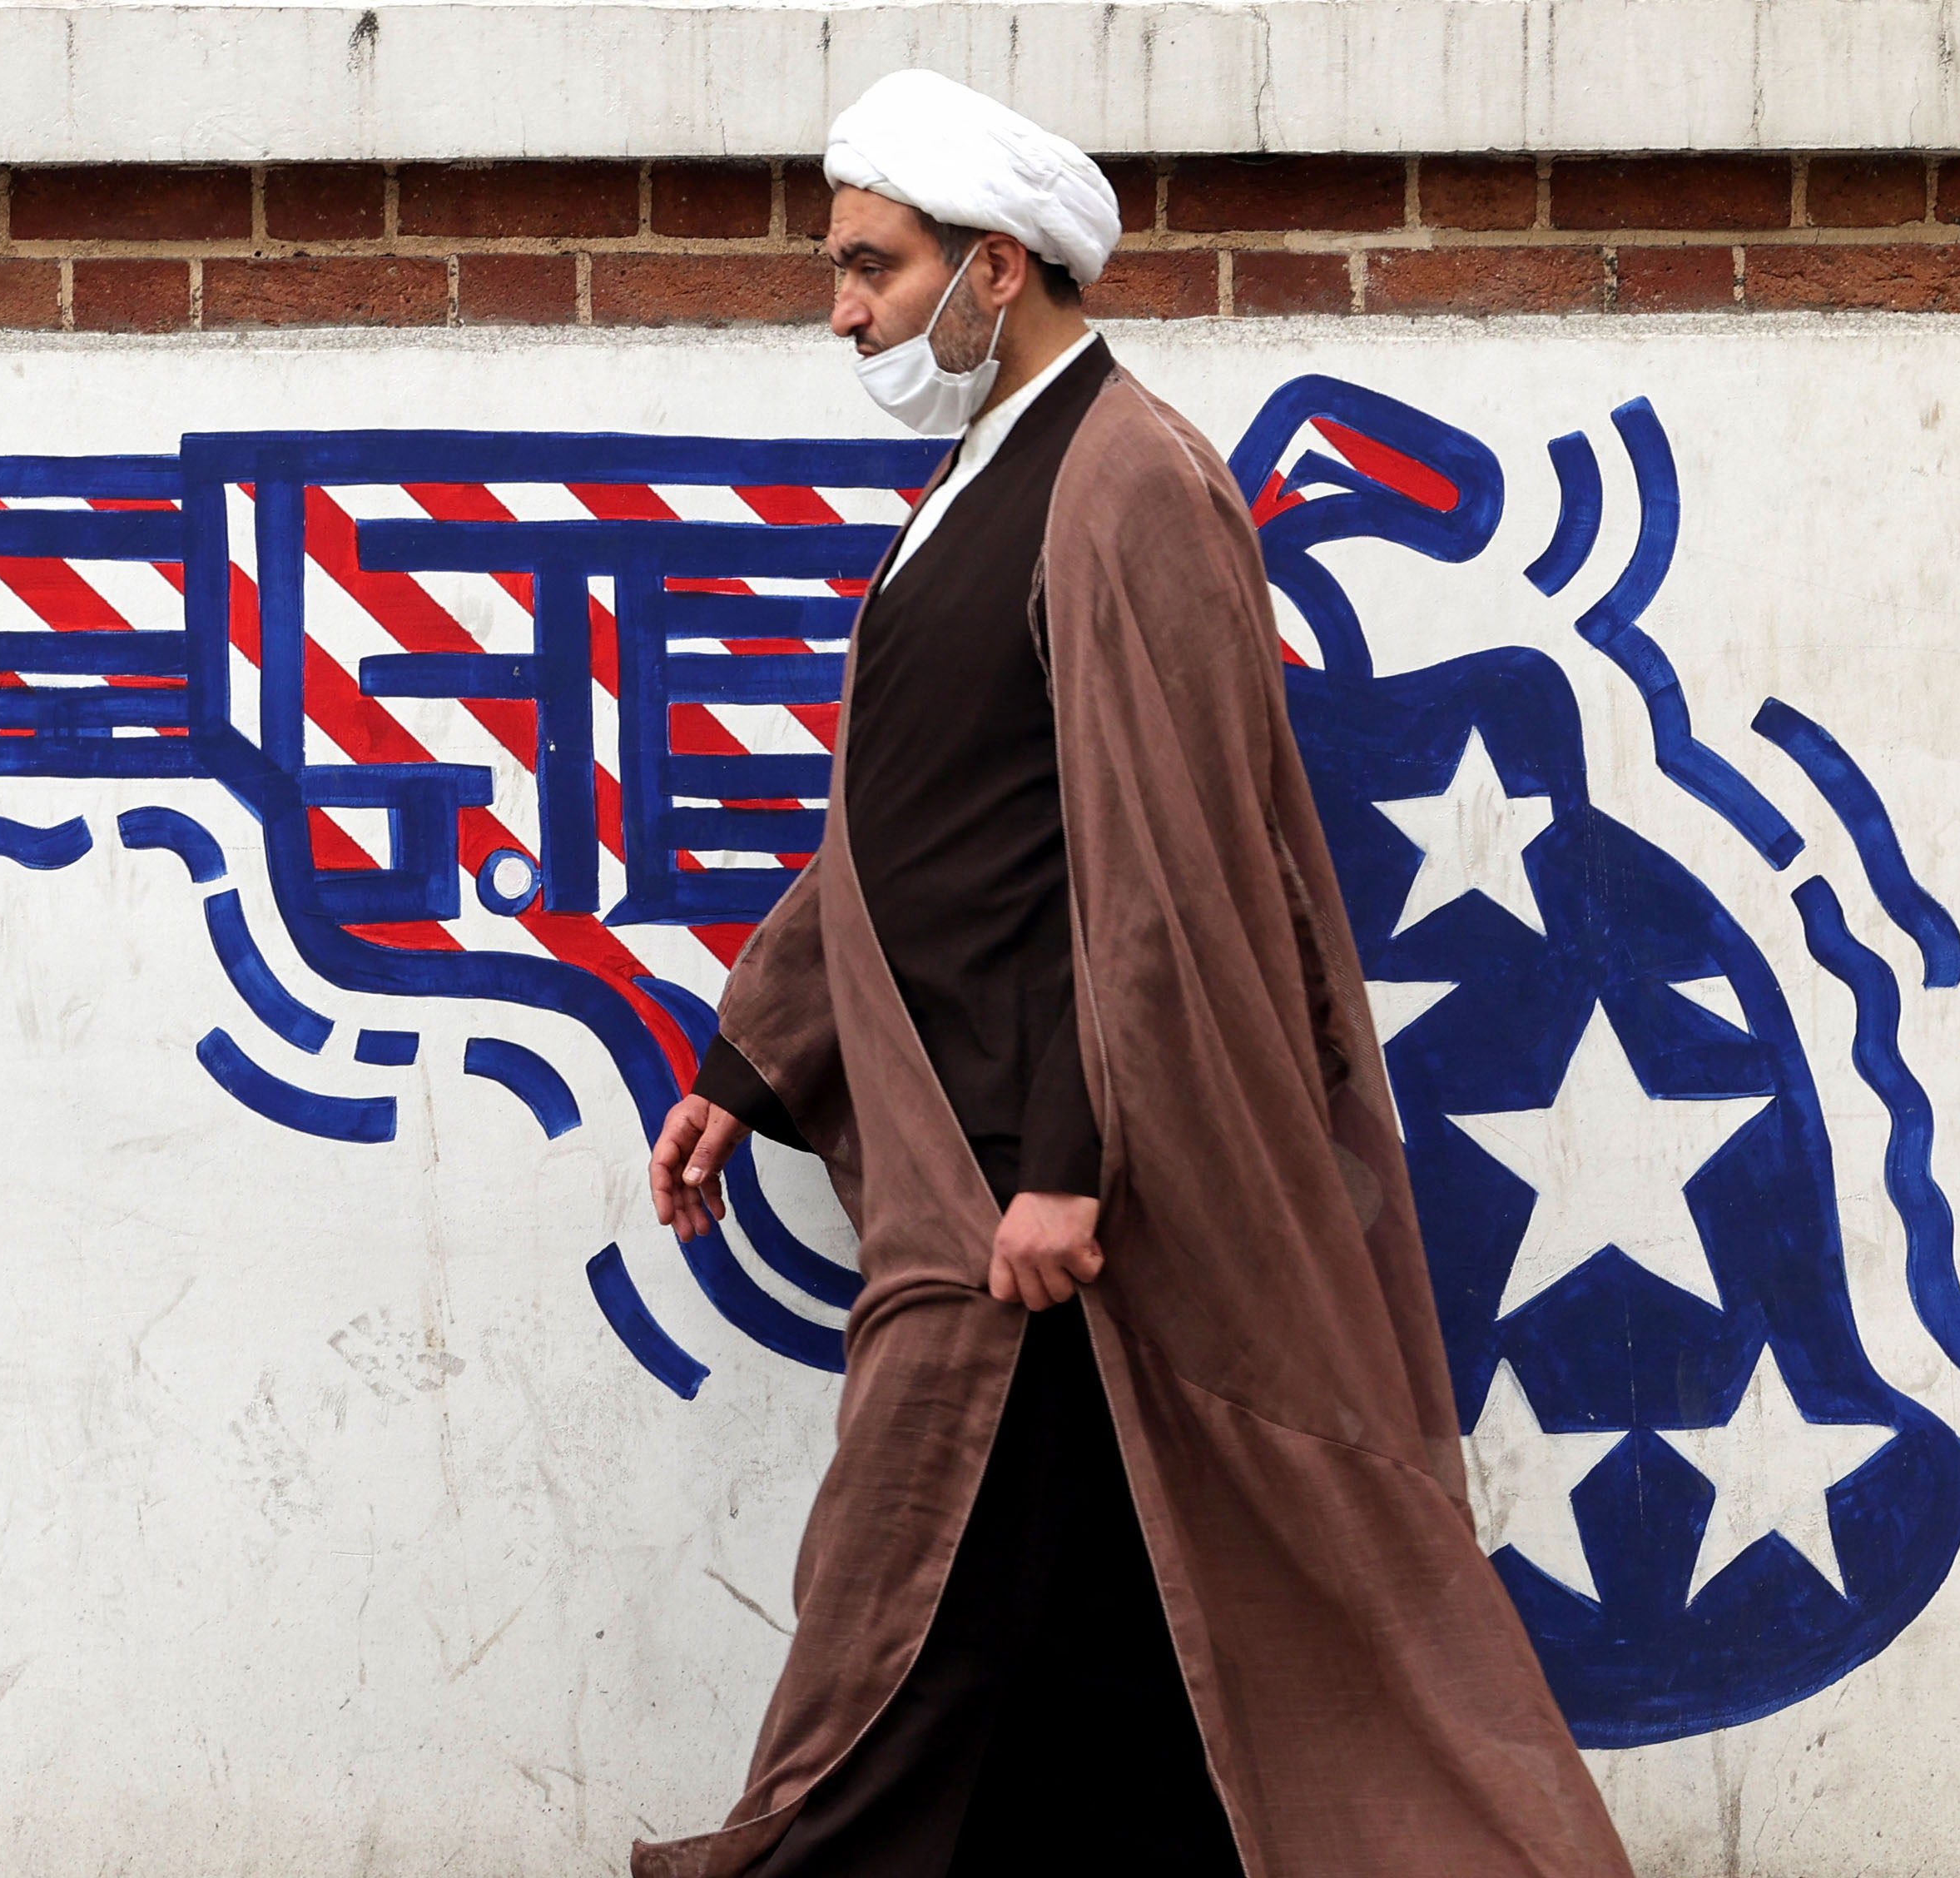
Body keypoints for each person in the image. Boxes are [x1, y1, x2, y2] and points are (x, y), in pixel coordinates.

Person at [632, 69, 1632, 1878]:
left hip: (1041, 1215)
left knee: (906, 1657)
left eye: (871, 265)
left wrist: (1069, 1166)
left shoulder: (1128, 484)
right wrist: (748, 1059)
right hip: (986, 1189)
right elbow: (910, 828)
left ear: (994, 268)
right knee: (1102, 1664)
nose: (841, 309)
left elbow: (1160, 872)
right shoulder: (985, 482)